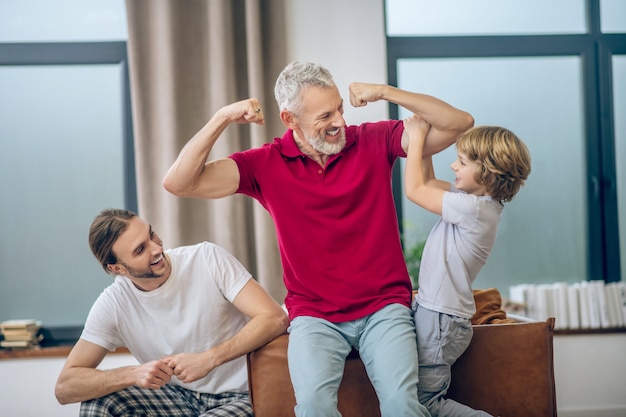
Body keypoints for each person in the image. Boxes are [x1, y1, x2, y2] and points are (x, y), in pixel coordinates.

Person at [162, 61, 474, 417]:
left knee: (403, 405)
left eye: (339, 107)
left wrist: (386, 92)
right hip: (314, 316)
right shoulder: (264, 165)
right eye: (325, 115)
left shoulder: (373, 139)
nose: (340, 121)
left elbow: (459, 124)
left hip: (384, 307)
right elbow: (178, 183)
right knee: (312, 408)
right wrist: (222, 117)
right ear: (290, 119)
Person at [55, 208, 289, 417]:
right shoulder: (114, 302)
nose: (157, 248)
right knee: (101, 403)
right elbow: (65, 388)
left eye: (151, 234)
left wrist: (209, 358)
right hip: (176, 398)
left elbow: (274, 317)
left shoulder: (207, 258)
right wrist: (132, 374)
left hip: (242, 396)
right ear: (118, 268)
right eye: (140, 250)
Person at [403, 117, 531, 417]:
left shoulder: (473, 209)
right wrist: (426, 149)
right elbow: (429, 182)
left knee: (427, 403)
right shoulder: (477, 203)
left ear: (487, 173)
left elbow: (415, 189)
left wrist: (418, 136)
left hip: (440, 320)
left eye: (461, 162)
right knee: (421, 399)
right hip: (439, 315)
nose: (454, 167)